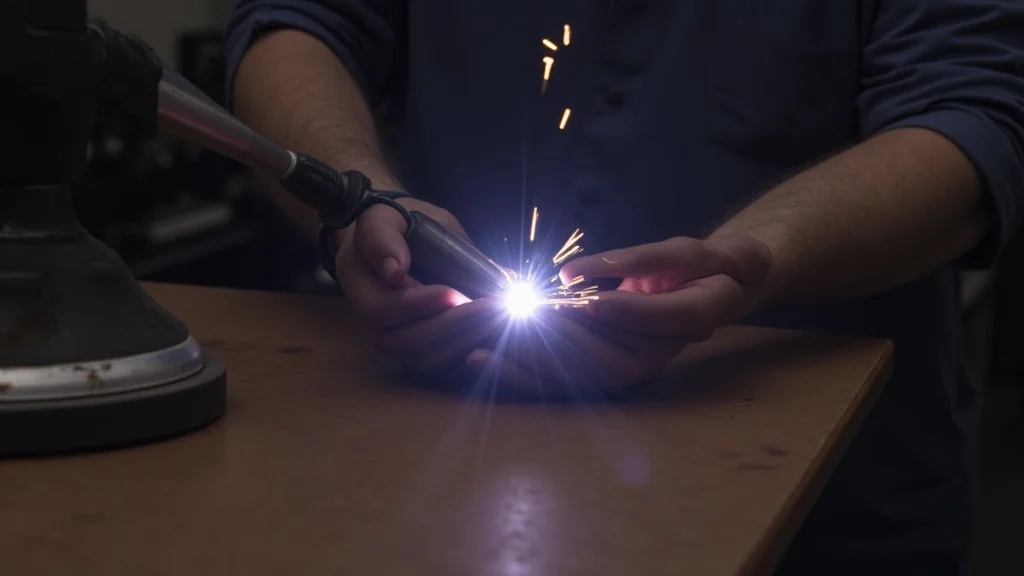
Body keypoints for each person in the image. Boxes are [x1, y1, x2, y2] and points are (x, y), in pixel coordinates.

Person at [225, 2, 1024, 573]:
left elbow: (973, 113)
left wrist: (754, 259)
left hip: (821, 508)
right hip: (417, 479)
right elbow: (296, 22)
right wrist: (359, 198)